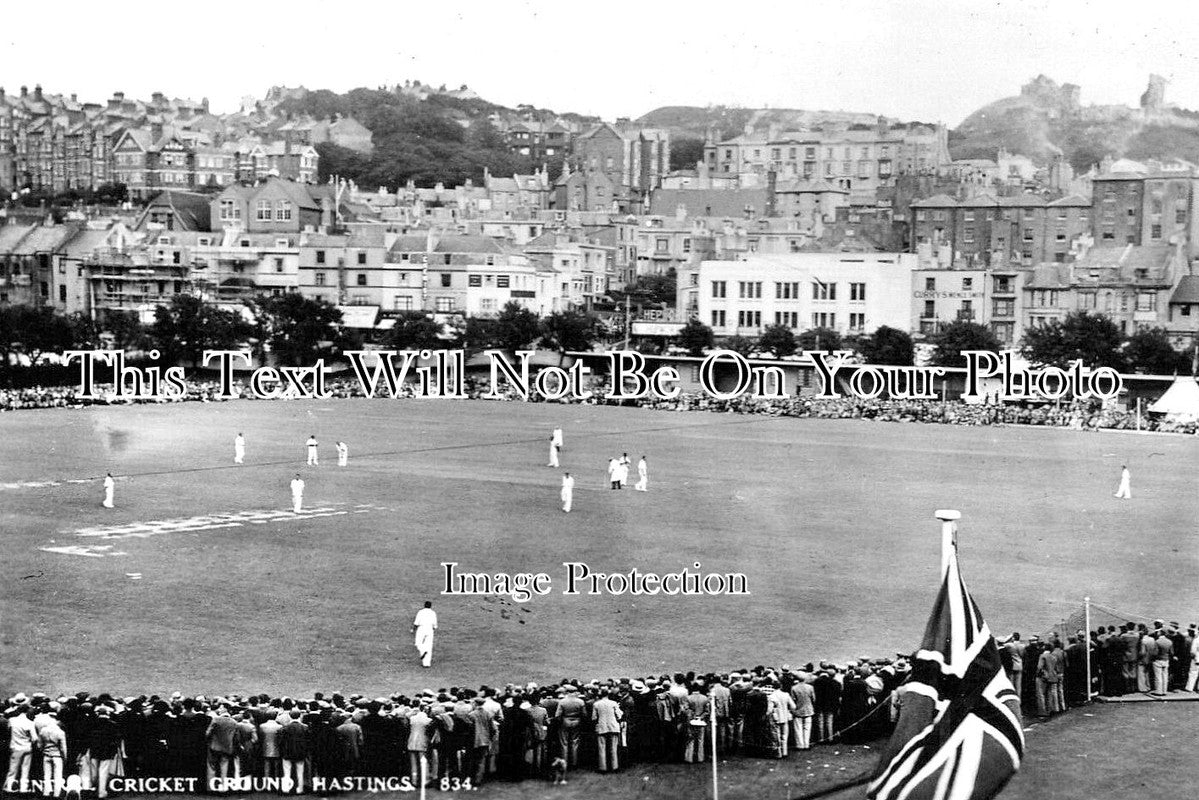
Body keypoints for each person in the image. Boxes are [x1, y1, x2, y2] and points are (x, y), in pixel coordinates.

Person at [413, 601, 438, 668]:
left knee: (418, 643)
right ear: (430, 606)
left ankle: (423, 650)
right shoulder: (433, 613)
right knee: (429, 646)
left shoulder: (420, 612)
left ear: (424, 605)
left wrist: (413, 629)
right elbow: (435, 625)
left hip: (421, 628)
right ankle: (427, 664)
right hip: (430, 629)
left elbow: (416, 623)